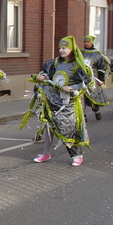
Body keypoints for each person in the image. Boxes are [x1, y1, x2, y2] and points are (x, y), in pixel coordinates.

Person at [25, 36, 91, 167]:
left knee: (69, 129)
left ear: (71, 49)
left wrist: (72, 87)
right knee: (49, 125)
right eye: (59, 48)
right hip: (53, 101)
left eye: (64, 48)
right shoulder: (54, 63)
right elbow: (49, 75)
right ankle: (46, 153)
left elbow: (85, 83)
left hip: (69, 103)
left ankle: (77, 155)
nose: (61, 50)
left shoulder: (78, 65)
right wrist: (44, 77)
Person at [81, 35, 110, 121]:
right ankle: (83, 116)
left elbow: (101, 67)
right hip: (82, 79)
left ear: (92, 43)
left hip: (92, 79)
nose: (86, 43)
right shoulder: (80, 53)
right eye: (85, 41)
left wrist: (101, 79)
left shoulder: (97, 54)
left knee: (92, 98)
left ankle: (96, 110)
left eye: (88, 41)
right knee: (82, 98)